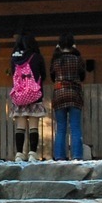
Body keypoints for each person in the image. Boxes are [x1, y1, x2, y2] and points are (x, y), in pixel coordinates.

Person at [7, 31, 47, 161]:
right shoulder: (37, 57)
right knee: (34, 125)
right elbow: (44, 75)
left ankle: (19, 154)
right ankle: (32, 153)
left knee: (20, 126)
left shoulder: (14, 59)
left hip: (19, 96)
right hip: (34, 95)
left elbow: (13, 76)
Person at [50, 32, 86, 160]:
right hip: (75, 94)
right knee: (75, 126)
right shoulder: (77, 59)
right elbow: (82, 76)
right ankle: (77, 156)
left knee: (61, 127)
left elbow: (52, 76)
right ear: (73, 44)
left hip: (59, 93)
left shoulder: (56, 60)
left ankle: (59, 156)